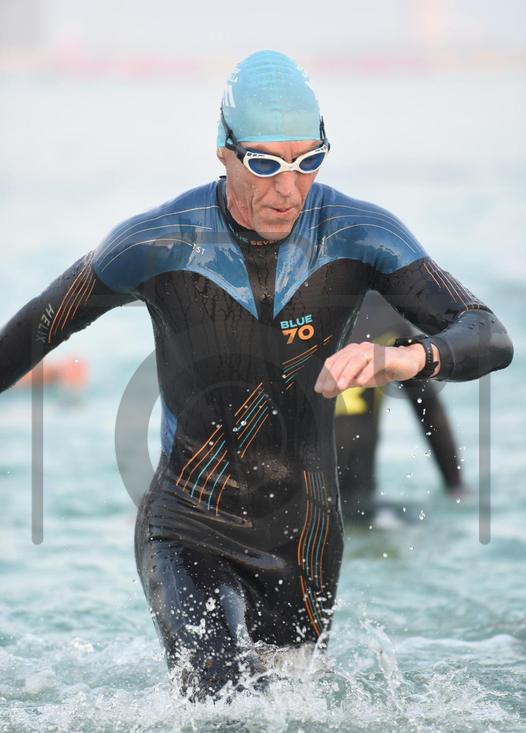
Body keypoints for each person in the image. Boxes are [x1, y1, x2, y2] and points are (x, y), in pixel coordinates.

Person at [0, 50, 513, 700]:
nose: (288, 189)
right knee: (217, 697)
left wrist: (409, 359)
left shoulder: (360, 234)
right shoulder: (158, 242)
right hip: (187, 524)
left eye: (308, 161)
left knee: (288, 725)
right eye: (266, 164)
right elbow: (36, 330)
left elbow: (488, 333)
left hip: (306, 539)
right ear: (224, 151)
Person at [335, 290, 465, 523]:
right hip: (365, 507)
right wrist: (456, 487)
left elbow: (429, 410)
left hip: (300, 509)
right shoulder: (384, 312)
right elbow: (430, 411)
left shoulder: (283, 318)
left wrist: (455, 485)